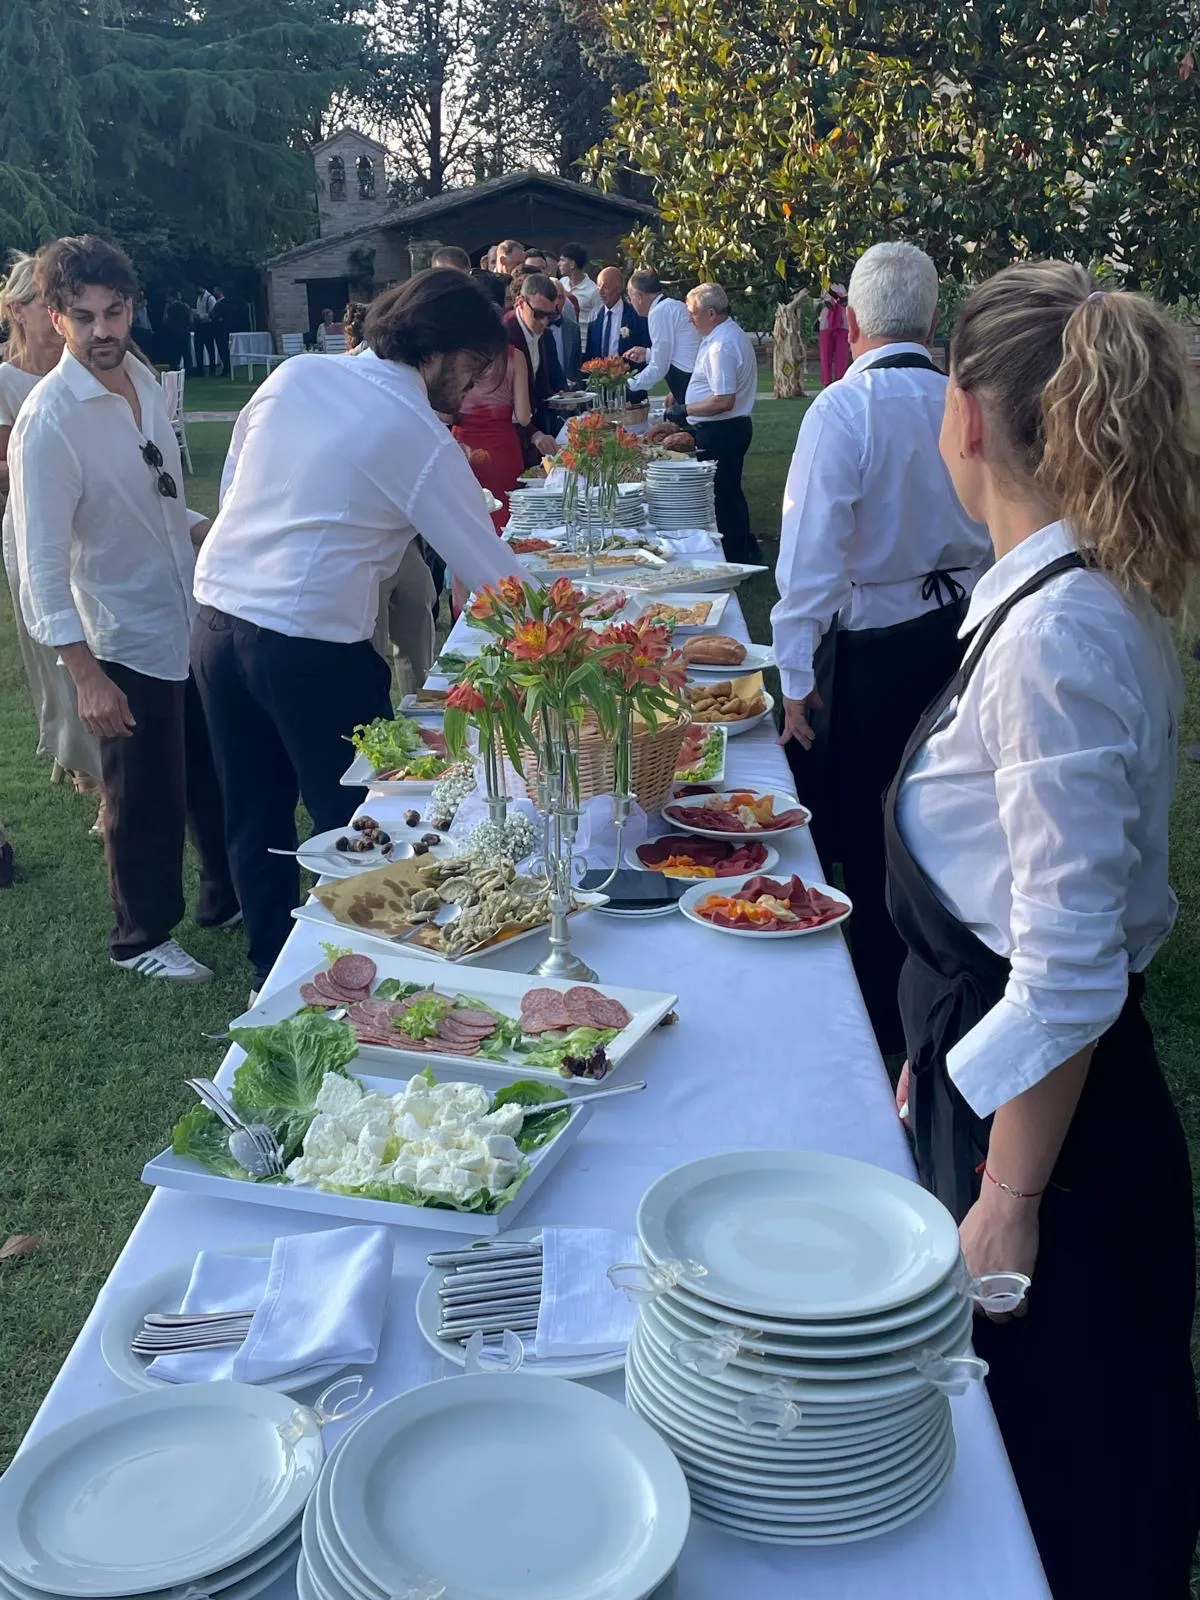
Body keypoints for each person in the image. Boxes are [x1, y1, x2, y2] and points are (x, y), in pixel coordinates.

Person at [890, 261, 1200, 1600]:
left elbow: (1067, 972)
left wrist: (1005, 1206)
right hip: (1023, 1102)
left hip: (1058, 1163)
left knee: (1051, 1506)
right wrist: (941, 1052)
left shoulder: (1056, 638)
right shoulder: (1060, 598)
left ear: (963, 416)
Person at [191, 269, 528, 994]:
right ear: (436, 352)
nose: (473, 393)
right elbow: (497, 579)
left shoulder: (296, 373)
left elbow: (230, 490)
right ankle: (375, 974)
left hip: (217, 621)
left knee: (254, 811)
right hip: (309, 645)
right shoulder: (411, 427)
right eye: (472, 372)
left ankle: (271, 974)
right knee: (373, 816)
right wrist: (578, 628)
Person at [772, 241, 991, 1053]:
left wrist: (794, 675)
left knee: (867, 825)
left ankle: (877, 1002)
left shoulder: (843, 410)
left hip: (870, 644)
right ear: (932, 319)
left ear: (853, 321)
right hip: (959, 631)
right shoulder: (961, 398)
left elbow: (809, 559)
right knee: (940, 814)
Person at [11, 234, 237, 982]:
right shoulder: (49, 421)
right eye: (84, 316)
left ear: (131, 306)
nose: (104, 331)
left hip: (183, 609)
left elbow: (160, 499)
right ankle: (139, 938)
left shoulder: (139, 372)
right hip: (117, 632)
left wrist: (213, 534)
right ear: (56, 316)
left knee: (205, 768)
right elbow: (41, 560)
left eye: (115, 311)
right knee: (141, 793)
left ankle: (222, 896)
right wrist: (83, 674)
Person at [0, 250, 104, 822]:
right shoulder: (7, 382)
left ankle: (89, 757)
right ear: (20, 310)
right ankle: (89, 769)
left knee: (99, 642)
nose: (58, 310)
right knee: (58, 651)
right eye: (48, 302)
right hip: (35, 528)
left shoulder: (87, 366)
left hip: (93, 525)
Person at [670, 283, 758, 563]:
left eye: (692, 313)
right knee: (728, 492)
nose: (689, 319)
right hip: (726, 427)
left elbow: (723, 400)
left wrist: (685, 409)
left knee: (723, 497)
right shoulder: (722, 335)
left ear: (711, 313)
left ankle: (735, 555)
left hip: (722, 429)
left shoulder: (723, 344)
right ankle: (743, 548)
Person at [453, 271, 529, 533]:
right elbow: (524, 416)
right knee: (507, 521)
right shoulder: (514, 357)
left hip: (464, 446)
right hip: (503, 447)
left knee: (469, 523)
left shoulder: (459, 357)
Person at [502, 272, 561, 466]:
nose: (544, 322)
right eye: (539, 314)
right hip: (509, 436)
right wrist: (534, 434)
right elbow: (504, 401)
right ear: (520, 302)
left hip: (536, 435)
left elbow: (540, 387)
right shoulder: (505, 336)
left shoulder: (543, 333)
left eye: (551, 315)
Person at [625, 270, 700, 408]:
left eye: (630, 298)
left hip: (689, 385)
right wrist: (648, 354)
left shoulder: (658, 312)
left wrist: (627, 384)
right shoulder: (673, 305)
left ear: (638, 296)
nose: (630, 302)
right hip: (693, 382)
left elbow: (659, 367)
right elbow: (676, 350)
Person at [584, 266, 648, 365]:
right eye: (599, 286)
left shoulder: (636, 316)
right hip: (599, 377)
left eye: (605, 287)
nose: (600, 292)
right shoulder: (594, 315)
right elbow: (590, 353)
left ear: (619, 289)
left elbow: (642, 351)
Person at [557, 243, 602, 332]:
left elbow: (599, 321)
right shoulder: (561, 283)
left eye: (562, 260)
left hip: (583, 342)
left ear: (572, 264)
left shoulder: (593, 291)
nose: (559, 264)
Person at [545, 280, 581, 389]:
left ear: (565, 300)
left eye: (560, 297)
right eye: (552, 297)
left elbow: (577, 366)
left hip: (568, 392)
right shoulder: (537, 326)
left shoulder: (573, 328)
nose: (556, 302)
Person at [818, 284, 851, 386]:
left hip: (842, 323)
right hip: (826, 323)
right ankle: (826, 382)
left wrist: (843, 300)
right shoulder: (823, 284)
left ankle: (841, 381)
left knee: (842, 355)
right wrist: (826, 303)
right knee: (825, 355)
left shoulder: (844, 284)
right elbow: (819, 304)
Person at [159, 293, 192, 373]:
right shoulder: (186, 307)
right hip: (184, 333)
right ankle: (188, 371)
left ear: (171, 298)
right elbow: (191, 320)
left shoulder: (170, 308)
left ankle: (174, 369)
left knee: (174, 354)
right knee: (186, 354)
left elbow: (165, 320)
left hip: (173, 334)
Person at [208, 287, 235, 378]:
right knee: (221, 349)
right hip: (217, 329)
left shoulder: (224, 303)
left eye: (216, 290)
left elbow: (224, 315)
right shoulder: (217, 302)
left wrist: (216, 317)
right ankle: (226, 368)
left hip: (222, 330)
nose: (214, 292)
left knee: (223, 349)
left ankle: (227, 369)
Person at [193, 285, 217, 375]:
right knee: (198, 348)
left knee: (210, 348)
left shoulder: (210, 298)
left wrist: (201, 316)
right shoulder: (199, 298)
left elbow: (213, 313)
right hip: (199, 326)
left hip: (207, 326)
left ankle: (212, 369)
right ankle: (200, 370)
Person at [131, 291, 154, 363]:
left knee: (147, 349)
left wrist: (150, 328)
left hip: (145, 330)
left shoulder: (144, 308)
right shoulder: (136, 308)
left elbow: (146, 319)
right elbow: (134, 319)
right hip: (139, 330)